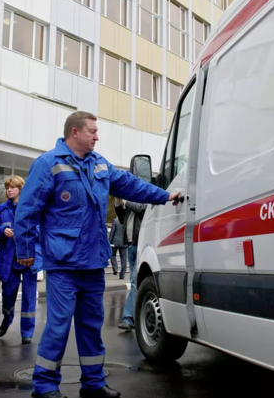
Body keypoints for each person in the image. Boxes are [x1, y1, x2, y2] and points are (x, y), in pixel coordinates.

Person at [14, 111, 180, 398]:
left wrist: (165, 195)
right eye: (92, 131)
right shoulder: (48, 164)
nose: (97, 136)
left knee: (92, 325)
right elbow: (28, 210)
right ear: (74, 132)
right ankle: (44, 386)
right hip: (63, 264)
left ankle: (93, 383)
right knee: (58, 326)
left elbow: (131, 185)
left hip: (92, 262)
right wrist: (26, 250)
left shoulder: (99, 163)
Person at [0, 175, 43, 344]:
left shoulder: (31, 208)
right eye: (7, 187)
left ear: (21, 189)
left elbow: (41, 232)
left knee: (29, 298)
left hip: (29, 259)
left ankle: (27, 332)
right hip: (9, 260)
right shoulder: (0, 210)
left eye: (12, 187)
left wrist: (25, 232)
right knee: (8, 294)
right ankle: (7, 319)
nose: (9, 190)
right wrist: (2, 231)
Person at [117, 199, 147, 331]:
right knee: (136, 282)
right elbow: (123, 220)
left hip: (141, 244)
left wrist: (125, 200)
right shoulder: (130, 202)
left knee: (135, 282)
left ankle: (128, 319)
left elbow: (142, 208)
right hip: (130, 245)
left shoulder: (142, 197)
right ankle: (139, 316)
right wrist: (118, 204)